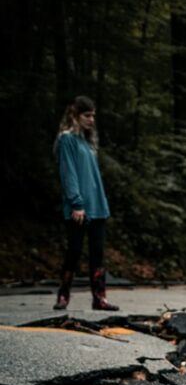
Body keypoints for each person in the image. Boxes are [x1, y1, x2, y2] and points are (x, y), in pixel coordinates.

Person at [54, 95, 118, 311]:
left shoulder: (87, 142)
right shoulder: (67, 140)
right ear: (75, 115)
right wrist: (76, 203)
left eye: (93, 116)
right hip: (79, 208)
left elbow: (93, 178)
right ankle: (63, 295)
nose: (91, 119)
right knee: (73, 252)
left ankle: (99, 298)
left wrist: (101, 203)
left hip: (98, 207)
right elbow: (68, 173)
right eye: (87, 115)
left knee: (97, 253)